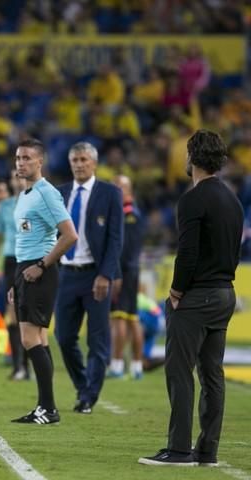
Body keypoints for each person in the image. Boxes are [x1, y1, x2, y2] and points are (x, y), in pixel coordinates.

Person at [140, 130, 243, 467]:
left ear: (192, 157)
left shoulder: (193, 198)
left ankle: (180, 449)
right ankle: (207, 451)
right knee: (212, 374)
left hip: (196, 296)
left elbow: (187, 252)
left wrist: (175, 290)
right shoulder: (233, 199)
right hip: (225, 292)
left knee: (180, 371)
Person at [10, 139, 78, 424]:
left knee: (29, 339)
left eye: (26, 158)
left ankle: (48, 408)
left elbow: (70, 235)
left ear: (40, 162)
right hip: (25, 269)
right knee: (38, 338)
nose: (20, 163)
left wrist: (41, 265)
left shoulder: (47, 193)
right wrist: (16, 282)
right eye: (18, 158)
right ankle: (45, 407)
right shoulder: (26, 194)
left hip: (39, 269)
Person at [54, 142, 123, 414]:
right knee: (63, 336)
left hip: (95, 274)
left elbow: (116, 239)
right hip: (66, 274)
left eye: (83, 159)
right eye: (75, 160)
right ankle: (84, 385)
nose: (79, 164)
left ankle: (89, 395)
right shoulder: (60, 193)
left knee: (97, 339)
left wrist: (106, 274)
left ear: (94, 163)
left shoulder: (110, 193)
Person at [0, 171, 29, 380]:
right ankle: (18, 365)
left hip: (30, 260)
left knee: (28, 314)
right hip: (10, 261)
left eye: (21, 176)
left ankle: (26, 365)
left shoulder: (35, 203)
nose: (19, 180)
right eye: (15, 176)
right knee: (12, 313)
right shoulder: (4, 207)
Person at [108, 175, 146, 380]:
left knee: (119, 318)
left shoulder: (128, 215)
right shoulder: (132, 213)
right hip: (131, 271)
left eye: (120, 187)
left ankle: (117, 364)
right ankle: (137, 366)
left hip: (123, 272)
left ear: (129, 192)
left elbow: (125, 249)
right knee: (132, 318)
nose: (116, 190)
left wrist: (117, 274)